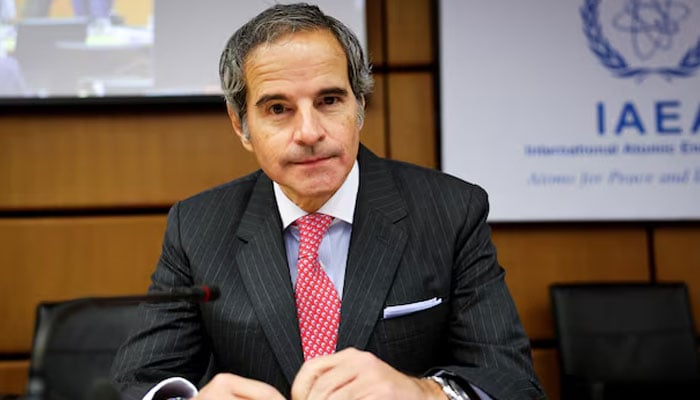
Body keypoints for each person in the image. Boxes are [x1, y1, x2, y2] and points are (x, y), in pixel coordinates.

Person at [110, 3, 545, 399]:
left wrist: (424, 393)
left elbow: (512, 383)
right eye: (278, 109)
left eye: (329, 100)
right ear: (240, 125)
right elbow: (138, 383)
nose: (309, 132)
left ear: (358, 106)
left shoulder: (451, 212)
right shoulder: (198, 226)